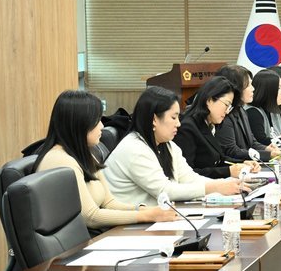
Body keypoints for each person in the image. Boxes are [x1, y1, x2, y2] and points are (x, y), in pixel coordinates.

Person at [33, 90, 177, 231]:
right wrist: (145, 216)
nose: (102, 126)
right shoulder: (61, 161)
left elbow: (109, 202)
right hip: (83, 242)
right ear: (80, 123)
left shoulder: (85, 153)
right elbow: (91, 217)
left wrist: (146, 209)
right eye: (97, 121)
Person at [106, 86, 248, 208]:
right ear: (154, 119)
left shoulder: (168, 145)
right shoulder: (135, 148)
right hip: (125, 225)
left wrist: (227, 185)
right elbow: (165, 191)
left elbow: (189, 178)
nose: (178, 124)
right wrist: (216, 187)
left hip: (154, 218)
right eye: (173, 118)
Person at [175, 77, 258, 179]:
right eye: (226, 105)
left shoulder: (209, 124)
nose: (227, 111)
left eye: (230, 107)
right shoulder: (187, 128)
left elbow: (220, 159)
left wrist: (243, 163)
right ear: (209, 100)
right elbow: (187, 174)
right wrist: (228, 171)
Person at [216, 65, 279, 162]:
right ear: (236, 88)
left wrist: (266, 149)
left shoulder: (241, 110)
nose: (253, 89)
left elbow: (252, 142)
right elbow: (231, 151)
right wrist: (267, 155)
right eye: (249, 85)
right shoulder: (224, 115)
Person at [247, 69, 281, 146]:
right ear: (267, 91)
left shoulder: (274, 108)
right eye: (278, 88)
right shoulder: (253, 112)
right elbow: (261, 141)